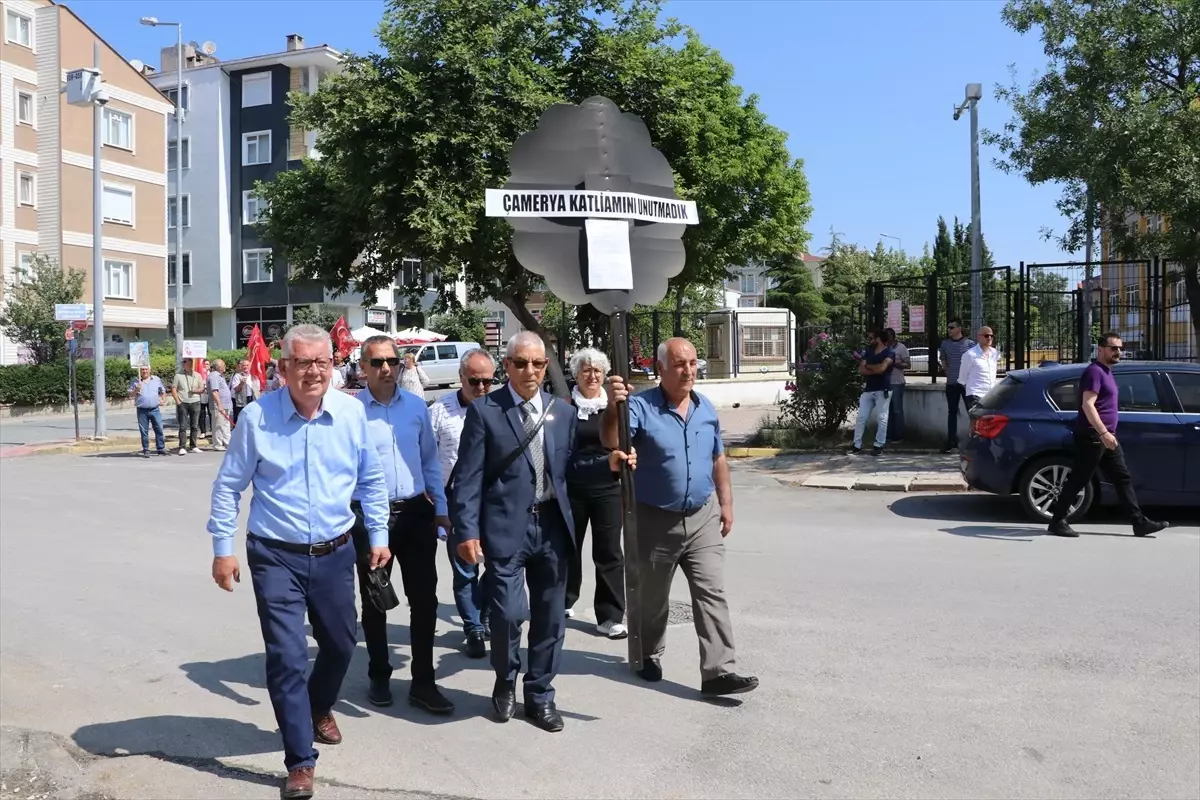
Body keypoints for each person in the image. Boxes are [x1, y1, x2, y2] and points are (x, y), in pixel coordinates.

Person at [207, 324, 390, 800]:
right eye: (302, 362)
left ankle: (317, 706)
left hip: (335, 551)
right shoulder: (258, 418)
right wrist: (223, 549)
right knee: (287, 657)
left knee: (341, 645)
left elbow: (371, 480)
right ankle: (299, 760)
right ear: (283, 367)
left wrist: (380, 535)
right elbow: (229, 487)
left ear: (334, 365)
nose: (313, 371)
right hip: (274, 555)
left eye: (321, 362)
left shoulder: (351, 414)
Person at [452, 332, 633, 732]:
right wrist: (466, 531)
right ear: (508, 365)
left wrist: (609, 466)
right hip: (505, 528)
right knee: (509, 613)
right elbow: (467, 479)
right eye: (521, 363)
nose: (530, 371)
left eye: (537, 364)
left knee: (551, 618)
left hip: (552, 526)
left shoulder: (561, 411)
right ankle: (505, 680)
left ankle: (540, 695)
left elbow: (570, 471)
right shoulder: (486, 411)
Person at [602, 337, 757, 698]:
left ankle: (719, 671)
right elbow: (613, 441)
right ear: (660, 369)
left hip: (702, 516)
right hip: (654, 518)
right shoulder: (639, 406)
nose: (688, 371)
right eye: (679, 364)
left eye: (692, 363)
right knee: (653, 599)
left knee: (711, 593)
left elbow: (718, 458)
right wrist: (613, 408)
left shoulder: (705, 408)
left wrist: (727, 504)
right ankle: (647, 654)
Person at [351, 335, 454, 713]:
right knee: (375, 599)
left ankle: (424, 682)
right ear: (363, 367)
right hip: (369, 516)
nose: (386, 369)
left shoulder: (415, 407)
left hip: (414, 513)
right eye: (377, 362)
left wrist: (440, 508)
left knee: (424, 598)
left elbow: (430, 461)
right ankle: (380, 672)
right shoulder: (351, 412)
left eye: (392, 361)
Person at [1047, 333, 1169, 539]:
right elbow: (1088, 404)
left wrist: (1107, 433)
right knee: (1079, 478)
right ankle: (1057, 521)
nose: (1118, 352)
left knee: (1122, 477)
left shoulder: (1107, 372)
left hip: (1106, 437)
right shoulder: (1094, 372)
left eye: (1120, 348)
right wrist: (1103, 432)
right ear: (1101, 349)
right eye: (1113, 348)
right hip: (1093, 436)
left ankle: (1138, 523)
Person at [428, 348, 496, 659]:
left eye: (488, 382)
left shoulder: (501, 408)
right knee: (465, 566)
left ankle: (486, 615)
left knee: (498, 564)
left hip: (494, 499)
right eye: (475, 381)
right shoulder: (440, 412)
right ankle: (473, 628)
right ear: (461, 378)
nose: (482, 388)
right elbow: (426, 457)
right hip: (455, 498)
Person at [564, 347, 627, 639]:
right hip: (573, 486)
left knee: (609, 552)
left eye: (598, 370)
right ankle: (564, 600)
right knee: (567, 548)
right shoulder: (564, 406)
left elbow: (625, 445)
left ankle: (610, 616)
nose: (592, 375)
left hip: (607, 488)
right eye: (586, 370)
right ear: (576, 374)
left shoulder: (615, 406)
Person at [847, 330, 894, 456]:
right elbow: (861, 370)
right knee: (861, 417)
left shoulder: (890, 352)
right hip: (869, 390)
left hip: (883, 389)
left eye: (871, 337)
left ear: (878, 339)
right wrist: (875, 367)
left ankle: (879, 445)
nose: (869, 340)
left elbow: (882, 369)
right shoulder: (868, 352)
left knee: (882, 418)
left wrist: (870, 366)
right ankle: (856, 445)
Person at [939, 319, 975, 452]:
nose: (949, 330)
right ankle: (951, 441)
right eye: (948, 327)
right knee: (952, 412)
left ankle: (974, 439)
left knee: (971, 412)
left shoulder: (969, 344)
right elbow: (943, 360)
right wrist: (949, 374)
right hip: (952, 383)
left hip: (966, 384)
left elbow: (974, 363)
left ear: (959, 328)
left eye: (952, 327)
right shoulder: (945, 344)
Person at [129, 364, 167, 457]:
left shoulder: (156, 379)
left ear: (150, 370)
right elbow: (131, 395)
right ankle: (146, 449)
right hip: (142, 410)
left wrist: (163, 399)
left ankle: (160, 448)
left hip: (155, 409)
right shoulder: (136, 381)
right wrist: (136, 390)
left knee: (159, 429)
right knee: (144, 431)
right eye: (142, 369)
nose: (144, 371)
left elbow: (163, 391)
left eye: (146, 369)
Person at [959, 325, 999, 408]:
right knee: (977, 420)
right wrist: (971, 391)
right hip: (975, 395)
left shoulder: (994, 353)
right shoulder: (970, 355)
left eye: (991, 336)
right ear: (978, 337)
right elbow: (962, 378)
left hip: (991, 396)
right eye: (986, 335)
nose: (989, 338)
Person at [171, 359, 204, 455]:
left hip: (195, 402)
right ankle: (182, 447)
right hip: (183, 402)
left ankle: (193, 446)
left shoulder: (197, 375)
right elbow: (173, 389)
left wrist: (196, 391)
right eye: (182, 362)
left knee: (194, 425)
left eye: (185, 362)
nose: (183, 364)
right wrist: (178, 402)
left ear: (190, 363)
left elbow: (202, 389)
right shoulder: (178, 375)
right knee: (183, 426)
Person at [885, 328, 909, 443]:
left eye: (888, 336)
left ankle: (899, 435)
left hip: (897, 382)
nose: (887, 339)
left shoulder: (901, 348)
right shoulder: (884, 347)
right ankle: (889, 435)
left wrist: (895, 364)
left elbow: (908, 364)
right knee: (887, 410)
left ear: (893, 337)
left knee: (897, 410)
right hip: (886, 382)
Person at [207, 359, 233, 452]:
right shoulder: (214, 376)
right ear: (218, 366)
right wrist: (219, 405)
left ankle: (227, 443)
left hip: (226, 405)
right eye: (223, 365)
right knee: (218, 425)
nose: (225, 366)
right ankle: (217, 444)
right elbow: (214, 391)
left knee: (225, 425)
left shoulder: (220, 376)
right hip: (218, 406)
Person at [229, 359, 262, 424]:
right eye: (244, 365)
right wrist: (241, 383)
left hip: (251, 399)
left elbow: (257, 391)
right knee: (240, 417)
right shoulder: (237, 376)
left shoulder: (254, 377)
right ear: (241, 366)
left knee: (250, 417)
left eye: (247, 365)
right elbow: (236, 389)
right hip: (241, 400)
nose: (246, 367)